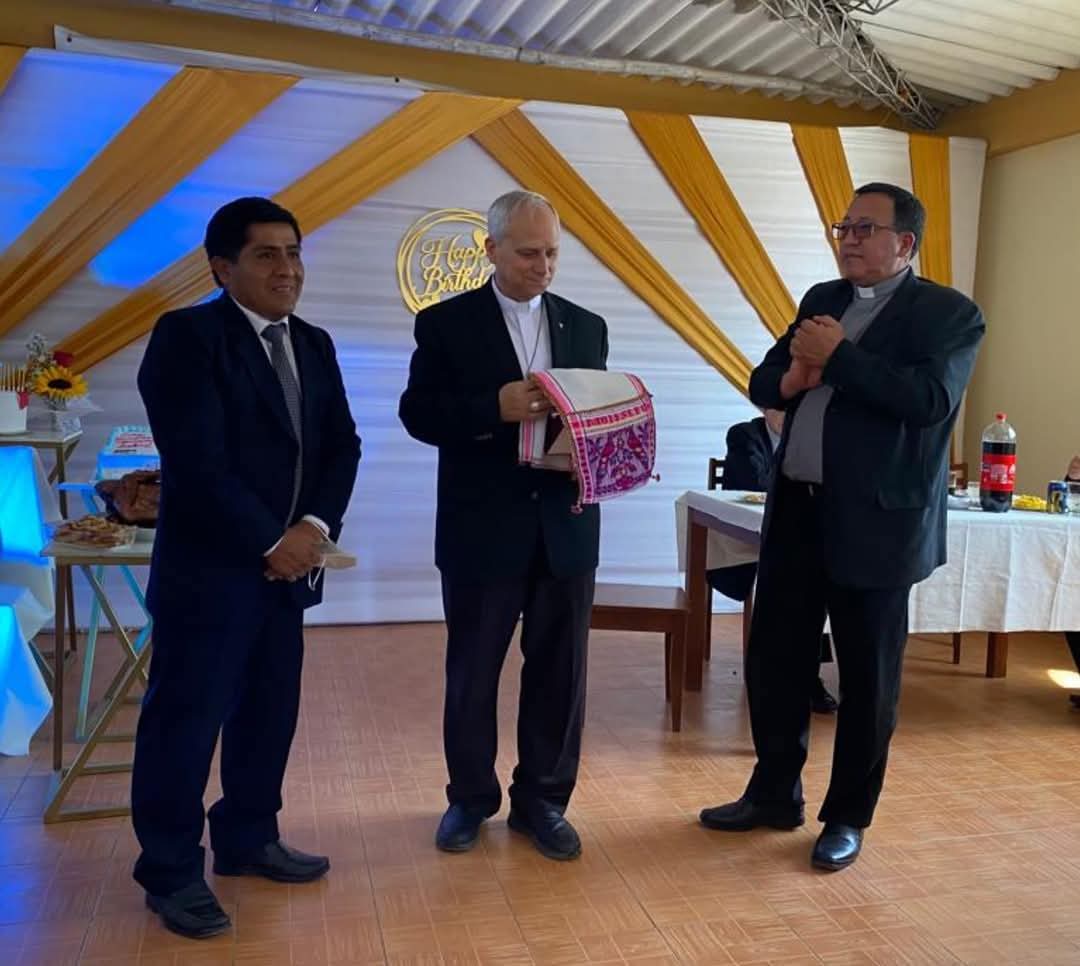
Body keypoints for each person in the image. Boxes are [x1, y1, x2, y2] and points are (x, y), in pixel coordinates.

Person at [699, 183, 984, 872]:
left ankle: (848, 816)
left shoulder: (949, 314)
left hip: (877, 524)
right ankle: (774, 793)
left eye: (864, 228)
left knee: (867, 677)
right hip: (797, 511)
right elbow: (765, 382)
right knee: (776, 661)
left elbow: (929, 401)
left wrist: (839, 358)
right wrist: (795, 379)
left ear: (904, 243)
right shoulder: (823, 298)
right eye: (843, 227)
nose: (848, 239)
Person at [131, 198, 361, 938]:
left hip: (288, 574)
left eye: (293, 252)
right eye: (266, 254)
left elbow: (342, 446)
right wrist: (271, 541)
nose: (287, 269)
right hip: (211, 576)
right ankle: (170, 871)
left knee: (268, 713)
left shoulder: (314, 343)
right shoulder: (187, 338)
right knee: (185, 722)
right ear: (222, 268)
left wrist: (312, 530)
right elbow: (198, 462)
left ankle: (249, 836)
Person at [399, 190, 608, 861]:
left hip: (567, 527)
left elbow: (595, 416)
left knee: (561, 674)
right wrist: (494, 407)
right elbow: (418, 413)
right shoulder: (444, 324)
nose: (542, 266)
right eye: (527, 253)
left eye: (552, 253)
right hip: (481, 529)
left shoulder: (588, 326)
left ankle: (543, 801)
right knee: (473, 673)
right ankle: (469, 799)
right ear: (490, 249)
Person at [708, 408, 838, 714]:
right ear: (766, 410)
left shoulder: (815, 437)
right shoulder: (744, 435)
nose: (787, 417)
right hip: (753, 538)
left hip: (807, 530)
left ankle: (808, 675)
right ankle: (788, 675)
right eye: (781, 410)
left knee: (819, 575)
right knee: (800, 575)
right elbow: (755, 482)